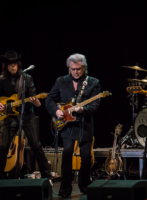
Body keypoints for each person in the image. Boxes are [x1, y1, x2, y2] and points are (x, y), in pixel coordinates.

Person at [0, 50, 52, 187]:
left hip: (26, 115)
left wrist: (36, 102)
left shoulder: (27, 78)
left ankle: (47, 177)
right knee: (3, 148)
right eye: (10, 64)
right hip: (8, 117)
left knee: (36, 145)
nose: (13, 66)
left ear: (18, 64)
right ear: (6, 66)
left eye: (15, 64)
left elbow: (33, 96)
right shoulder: (2, 79)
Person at [45, 53, 100, 198]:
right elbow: (49, 99)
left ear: (84, 68)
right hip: (67, 124)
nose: (76, 71)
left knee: (86, 156)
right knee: (67, 152)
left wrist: (83, 109)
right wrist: (56, 111)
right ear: (69, 68)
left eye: (79, 69)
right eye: (73, 69)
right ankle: (65, 189)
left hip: (85, 124)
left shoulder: (93, 82)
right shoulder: (61, 81)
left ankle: (84, 186)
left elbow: (95, 105)